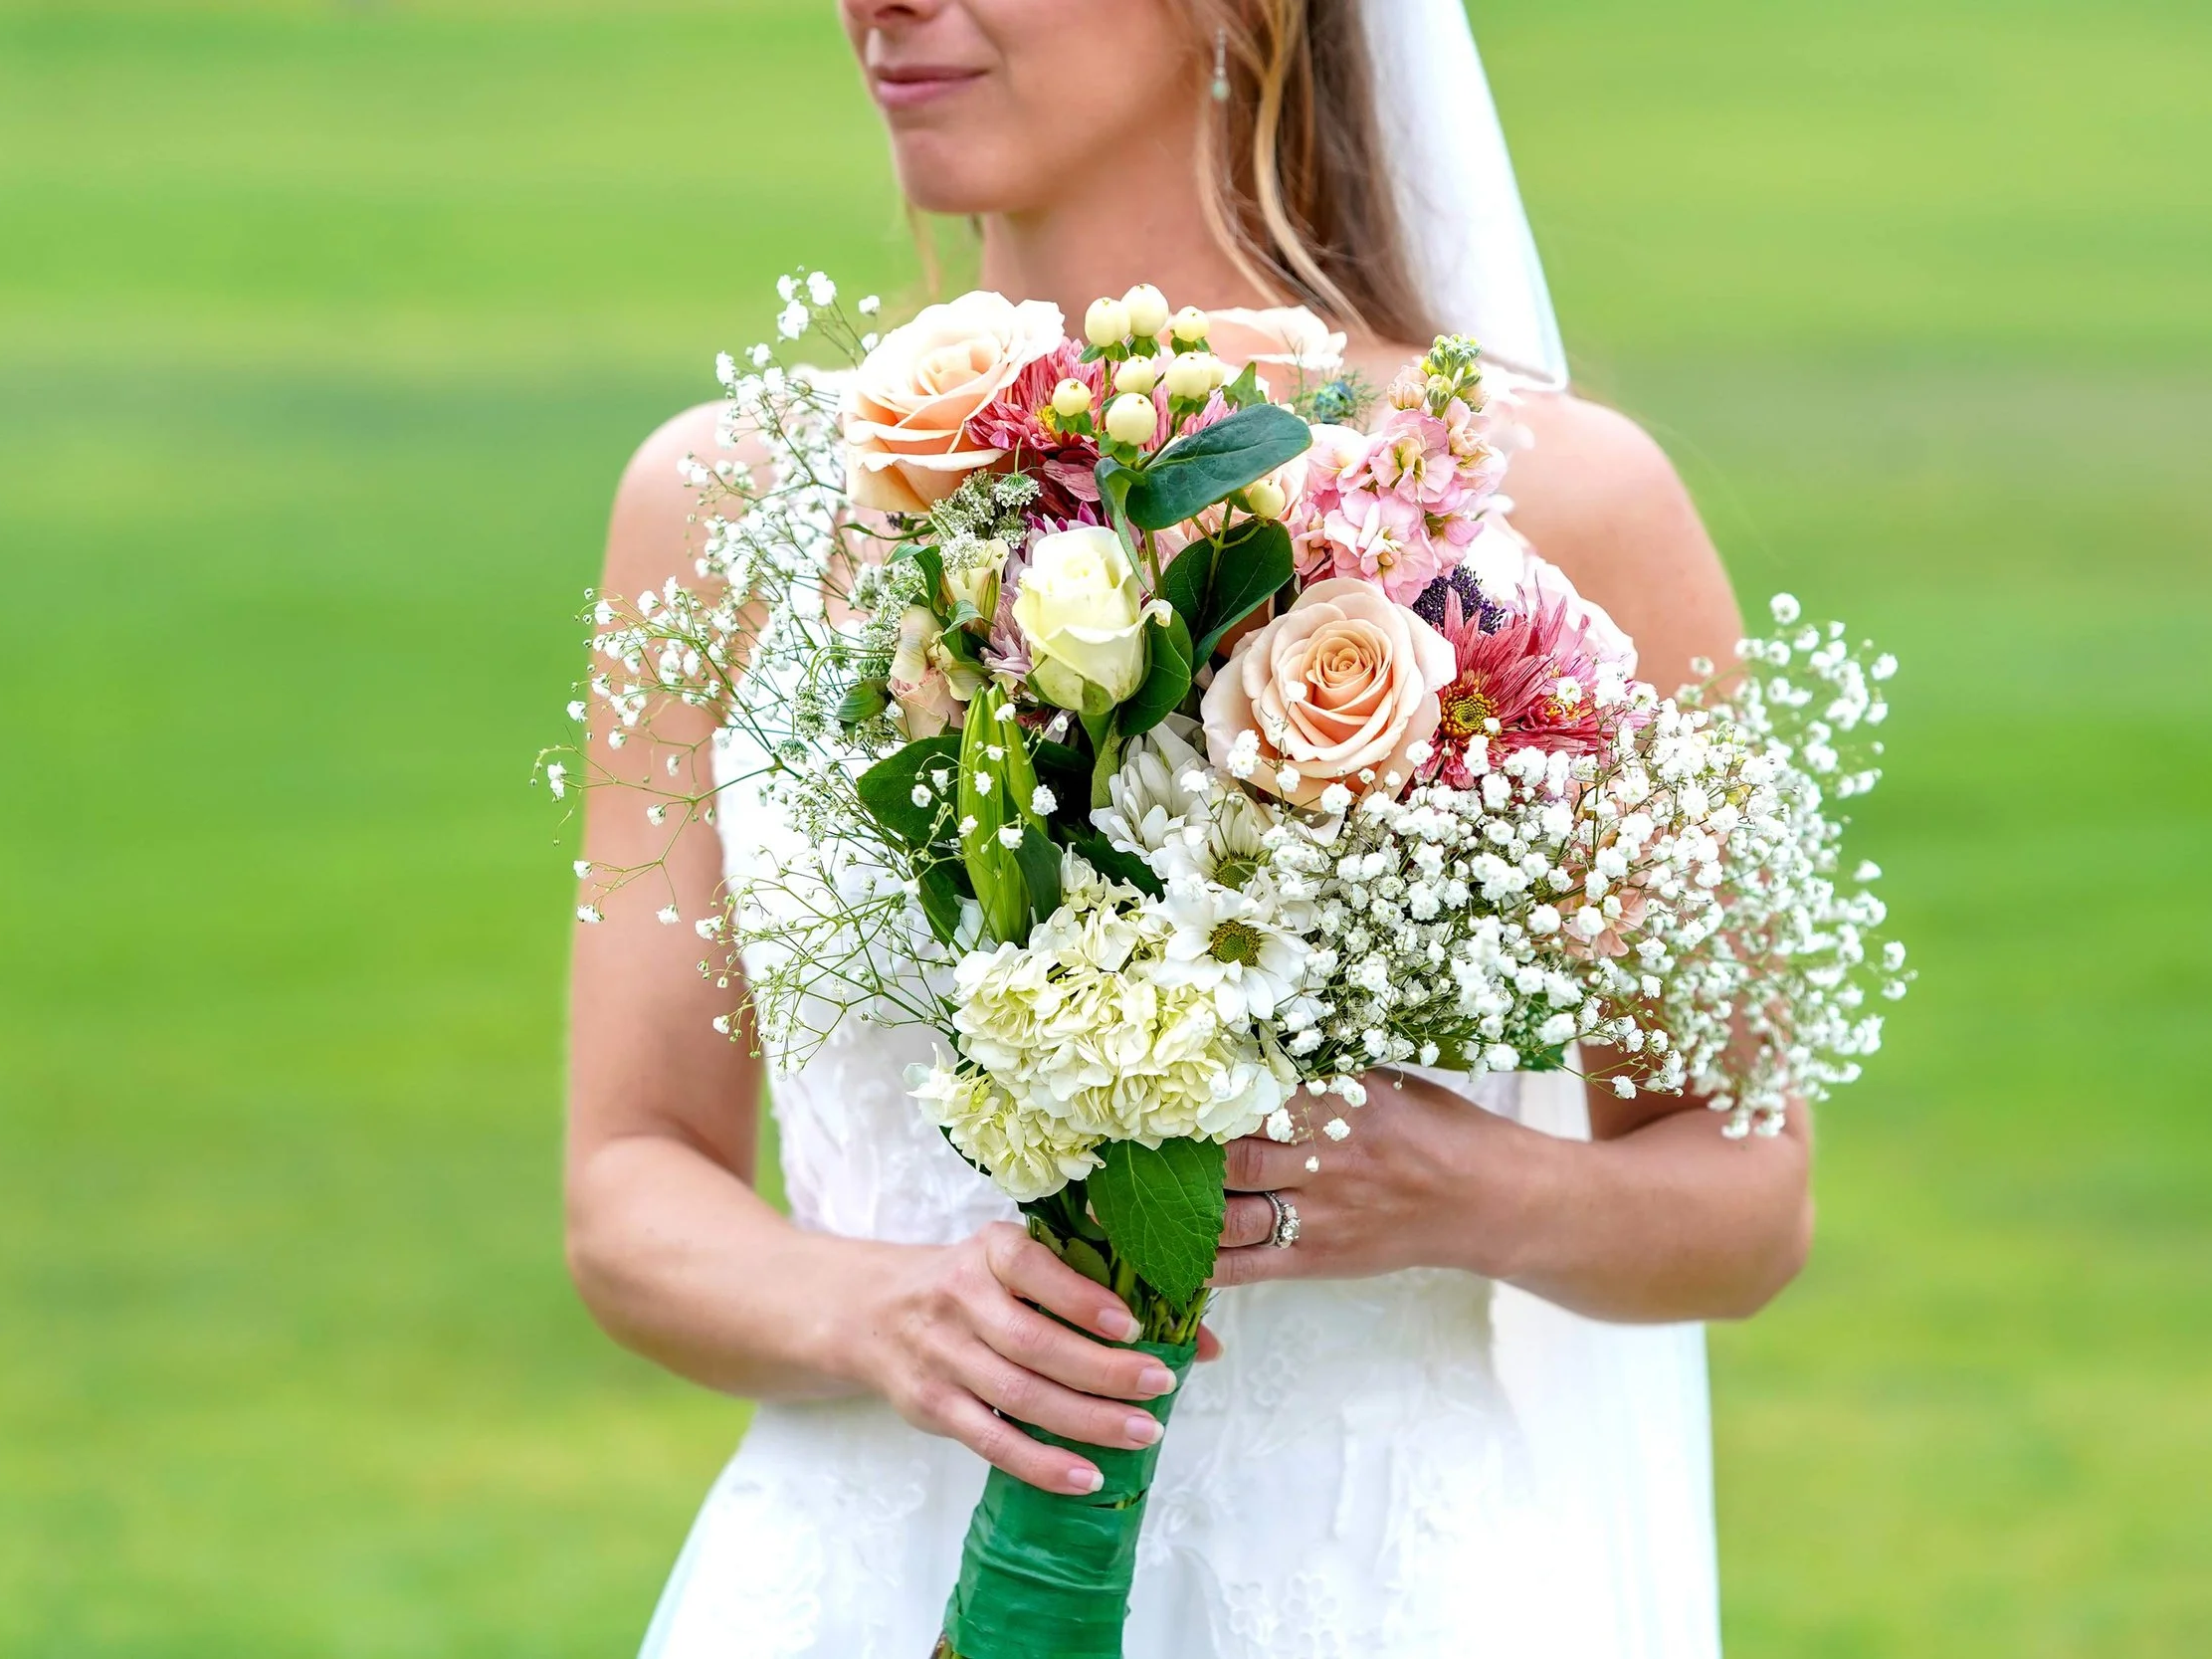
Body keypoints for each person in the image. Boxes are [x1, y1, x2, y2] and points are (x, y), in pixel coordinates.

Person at [569, 2, 1812, 1653]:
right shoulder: (727, 499)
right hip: (856, 1581)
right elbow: (629, 1183)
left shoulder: (1554, 505)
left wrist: (1456, 1189)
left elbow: (1744, 1192)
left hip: (1372, 1580)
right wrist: (892, 1313)